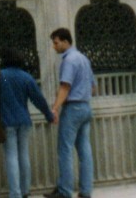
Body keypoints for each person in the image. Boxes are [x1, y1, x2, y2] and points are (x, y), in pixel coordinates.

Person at [0, 47, 54, 198]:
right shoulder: (26, 77)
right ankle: (25, 190)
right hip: (24, 121)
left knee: (12, 156)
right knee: (24, 155)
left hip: (7, 122)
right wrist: (49, 115)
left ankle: (15, 193)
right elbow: (38, 99)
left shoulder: (0, 76)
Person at [48, 27, 95, 198]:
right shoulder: (83, 59)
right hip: (85, 106)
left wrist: (55, 107)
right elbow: (93, 86)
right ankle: (86, 191)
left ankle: (65, 191)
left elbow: (65, 86)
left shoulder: (68, 60)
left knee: (65, 149)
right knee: (84, 150)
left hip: (73, 108)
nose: (55, 47)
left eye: (56, 42)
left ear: (66, 41)